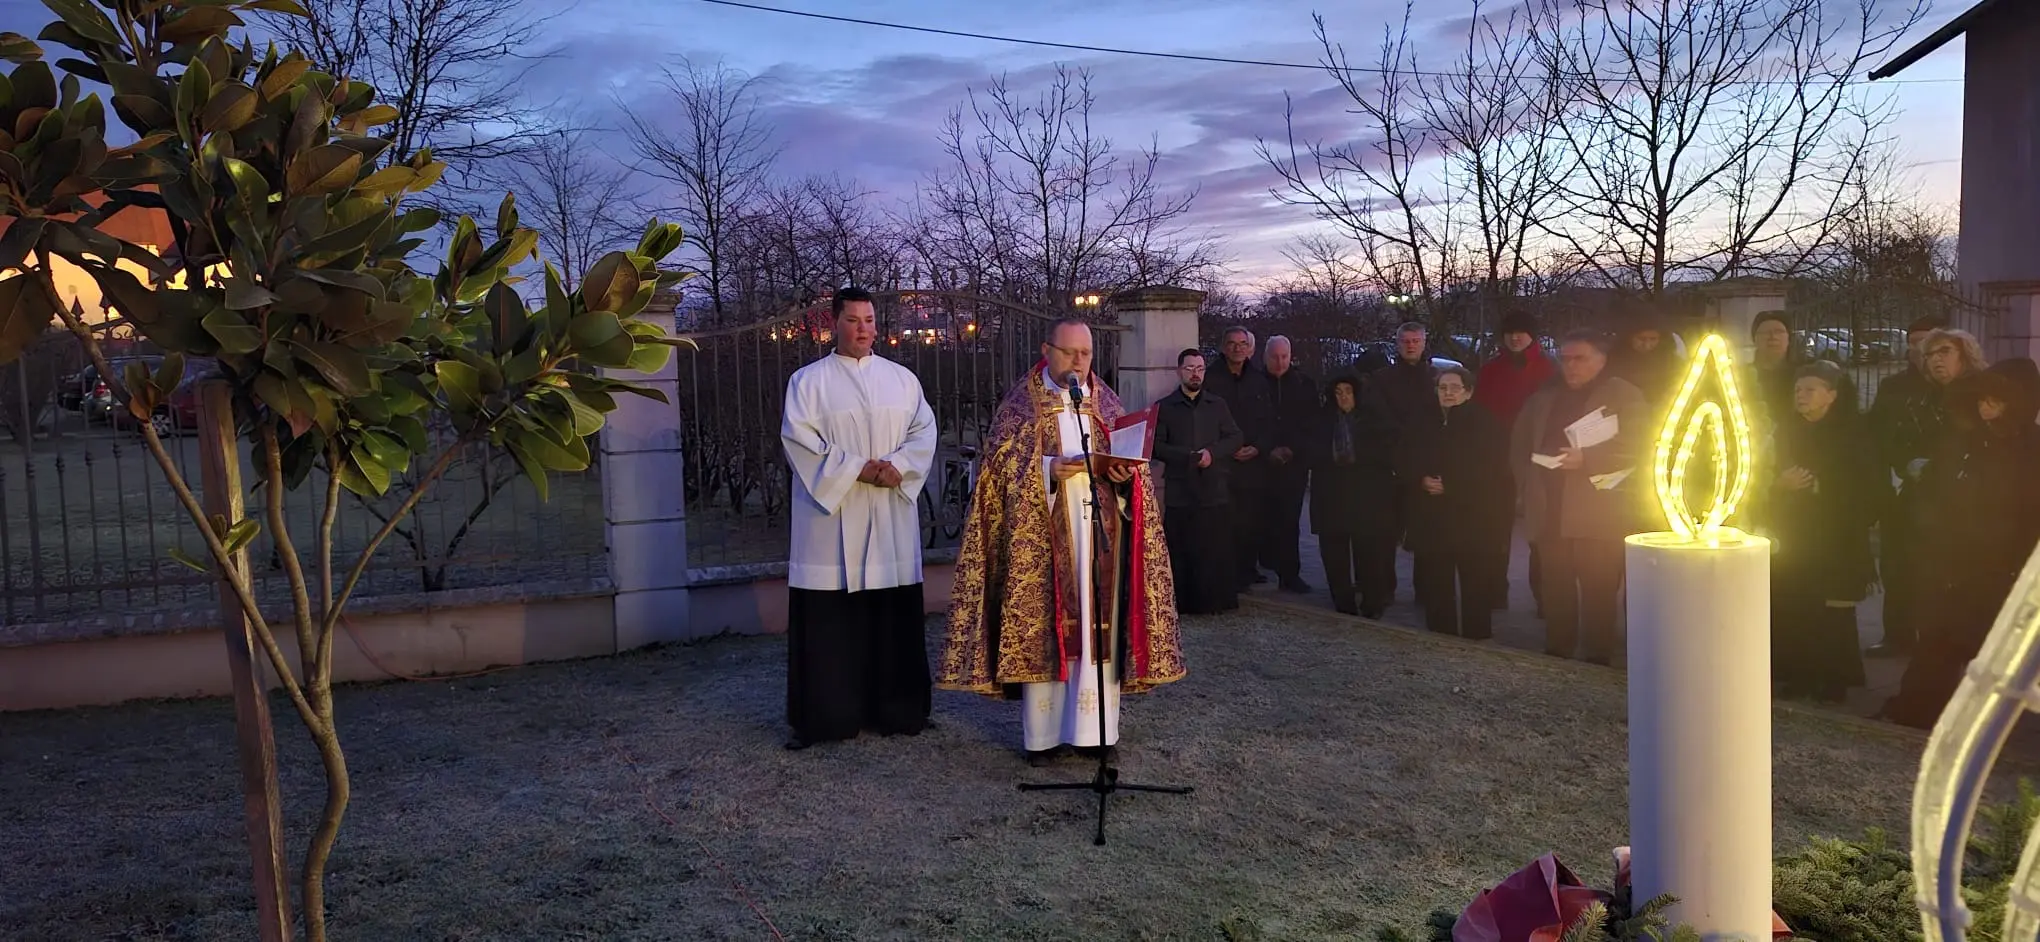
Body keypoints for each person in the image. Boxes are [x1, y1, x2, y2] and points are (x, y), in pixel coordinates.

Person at [938, 319, 1187, 765]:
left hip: (1100, 535)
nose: (1078, 362)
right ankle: (1045, 736)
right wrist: (1047, 469)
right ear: (1046, 349)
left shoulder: (1104, 402)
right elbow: (996, 473)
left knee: (1097, 630)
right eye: (1069, 352)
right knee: (1047, 628)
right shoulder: (1021, 404)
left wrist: (1123, 476)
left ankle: (1096, 732)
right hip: (1042, 542)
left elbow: (1133, 467)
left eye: (1086, 354)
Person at [778, 287, 940, 750]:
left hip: (888, 515)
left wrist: (898, 468)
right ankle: (827, 717)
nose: (865, 329)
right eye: (854, 320)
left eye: (870, 320)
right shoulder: (807, 383)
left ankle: (899, 710)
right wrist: (858, 469)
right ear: (834, 324)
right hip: (831, 522)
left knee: (892, 619)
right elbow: (800, 440)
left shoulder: (903, 380)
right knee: (831, 622)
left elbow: (923, 431)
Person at [1881, 358, 2040, 728]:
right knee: (1937, 638)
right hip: (1949, 561)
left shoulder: (2032, 450)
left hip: (2002, 569)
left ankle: (1982, 725)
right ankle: (1918, 709)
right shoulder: (1966, 442)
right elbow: (1935, 489)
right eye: (1983, 400)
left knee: (1986, 648)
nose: (1986, 408)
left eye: (1996, 401)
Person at [1511, 329, 1648, 665]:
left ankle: (1597, 656)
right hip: (1550, 507)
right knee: (1555, 587)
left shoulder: (1623, 396)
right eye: (1565, 358)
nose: (1570, 366)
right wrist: (1527, 486)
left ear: (1601, 360)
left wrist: (1588, 461)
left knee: (1598, 589)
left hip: (1599, 511)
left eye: (1580, 359)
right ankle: (1558, 650)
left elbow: (1640, 445)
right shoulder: (1544, 396)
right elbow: (1519, 446)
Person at [1765, 361, 1883, 703]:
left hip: (1837, 534)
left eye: (1810, 390)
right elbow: (1765, 471)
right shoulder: (1786, 429)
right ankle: (1798, 673)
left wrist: (1819, 485)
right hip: (1795, 532)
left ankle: (1834, 680)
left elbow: (1869, 484)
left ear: (1831, 395)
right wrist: (1779, 484)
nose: (1801, 396)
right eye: (1798, 390)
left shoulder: (1853, 432)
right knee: (1795, 604)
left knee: (1833, 610)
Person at [1865, 320, 1977, 657]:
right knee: (1899, 565)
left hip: (1962, 504)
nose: (1935, 359)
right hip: (1915, 495)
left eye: (1944, 352)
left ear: (1964, 355)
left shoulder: (1978, 394)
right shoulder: (1920, 396)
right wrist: (1907, 463)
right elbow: (1890, 437)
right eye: (1929, 354)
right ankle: (1901, 636)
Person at [1399, 366, 1514, 639]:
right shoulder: (1422, 420)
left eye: (1454, 388)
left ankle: (1477, 638)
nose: (1448, 393)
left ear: (1469, 391)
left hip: (1472, 518)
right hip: (1432, 518)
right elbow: (1403, 456)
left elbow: (1493, 471)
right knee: (1437, 583)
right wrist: (1420, 479)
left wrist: (1451, 486)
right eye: (1442, 388)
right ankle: (1441, 637)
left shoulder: (1486, 424)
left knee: (1475, 584)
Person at [1474, 309, 1555, 613]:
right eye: (1509, 333)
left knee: (1539, 531)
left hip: (1536, 461)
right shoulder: (1491, 371)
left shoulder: (1549, 371)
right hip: (1497, 460)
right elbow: (1479, 415)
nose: (1515, 337)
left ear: (1532, 335)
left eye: (1521, 332)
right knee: (1494, 528)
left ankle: (1544, 596)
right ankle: (1495, 589)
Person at [1152, 348, 1244, 614]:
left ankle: (1215, 602)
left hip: (1213, 487)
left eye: (1200, 368)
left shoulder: (1217, 405)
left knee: (1213, 546)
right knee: (1182, 548)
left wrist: (1211, 453)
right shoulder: (1165, 407)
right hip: (1181, 488)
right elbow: (1156, 446)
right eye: (1190, 368)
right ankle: (1183, 602)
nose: (1195, 374)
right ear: (1180, 371)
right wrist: (1187, 457)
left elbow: (1235, 437)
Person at [1310, 374, 1400, 617]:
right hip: (1332, 499)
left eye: (1348, 391)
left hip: (1366, 499)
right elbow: (1312, 452)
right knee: (1335, 557)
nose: (1343, 397)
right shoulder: (1322, 420)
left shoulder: (1375, 422)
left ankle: (1373, 603)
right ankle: (1343, 603)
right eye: (1338, 392)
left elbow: (1388, 454)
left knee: (1370, 555)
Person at [1203, 326, 1275, 590]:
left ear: (1250, 348)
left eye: (1242, 343)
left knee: (1250, 520)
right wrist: (1225, 448)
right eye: (1232, 343)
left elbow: (1269, 421)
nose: (1237, 348)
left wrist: (1257, 447)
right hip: (1222, 463)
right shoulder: (1210, 379)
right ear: (1223, 347)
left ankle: (1247, 569)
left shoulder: (1258, 380)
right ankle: (1226, 573)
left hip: (1252, 462)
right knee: (1224, 521)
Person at [1262, 336, 1320, 594]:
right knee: (1258, 518)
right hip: (1261, 461)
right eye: (1275, 356)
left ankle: (1289, 574)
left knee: (1289, 521)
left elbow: (1311, 424)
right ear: (1265, 356)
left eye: (1284, 356)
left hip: (1294, 464)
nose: (1279, 362)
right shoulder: (1255, 383)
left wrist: (1291, 449)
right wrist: (1267, 449)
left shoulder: (1304, 384)